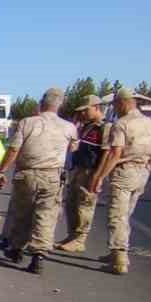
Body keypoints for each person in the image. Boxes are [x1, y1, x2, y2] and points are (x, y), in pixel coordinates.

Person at [0, 89, 77, 273]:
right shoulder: (69, 127)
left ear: (41, 103)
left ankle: (16, 248)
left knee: (22, 212)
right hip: (53, 176)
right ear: (60, 105)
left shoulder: (27, 123)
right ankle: (39, 254)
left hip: (28, 174)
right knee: (46, 215)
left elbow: (14, 149)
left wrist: (2, 170)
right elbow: (73, 149)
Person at [89, 86, 151, 274]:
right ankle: (116, 251)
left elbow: (115, 153)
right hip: (142, 172)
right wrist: (147, 169)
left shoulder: (122, 124)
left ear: (123, 103)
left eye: (115, 104)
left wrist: (99, 177)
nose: (114, 108)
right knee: (126, 213)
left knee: (117, 215)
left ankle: (120, 257)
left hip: (124, 171)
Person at [56, 94, 107, 253]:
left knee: (84, 206)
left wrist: (98, 176)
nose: (83, 113)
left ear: (97, 107)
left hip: (90, 170)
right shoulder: (86, 126)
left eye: (86, 110)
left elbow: (107, 154)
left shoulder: (104, 127)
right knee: (72, 204)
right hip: (78, 169)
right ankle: (72, 236)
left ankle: (80, 239)